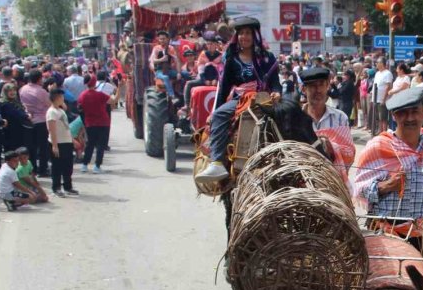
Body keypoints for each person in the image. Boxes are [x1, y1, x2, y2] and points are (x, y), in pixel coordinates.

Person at [352, 87, 423, 249]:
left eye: (415, 111)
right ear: (394, 116)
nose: (410, 118)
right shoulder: (378, 147)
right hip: (385, 235)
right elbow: (359, 190)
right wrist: (385, 186)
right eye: (403, 113)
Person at [195, 17, 281, 184]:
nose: (244, 37)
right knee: (219, 115)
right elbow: (224, 88)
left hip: (264, 100)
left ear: (255, 35)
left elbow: (276, 83)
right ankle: (217, 162)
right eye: (241, 33)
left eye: (248, 33)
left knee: (289, 114)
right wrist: (215, 112)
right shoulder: (232, 59)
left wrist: (277, 92)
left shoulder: (268, 57)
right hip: (240, 100)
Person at [300, 67, 357, 189]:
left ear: (327, 87)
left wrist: (333, 149)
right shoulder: (295, 119)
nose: (318, 90)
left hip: (333, 186)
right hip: (303, 187)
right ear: (303, 89)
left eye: (322, 85)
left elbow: (350, 155)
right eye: (313, 86)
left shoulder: (340, 118)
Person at [45, 88, 78, 197]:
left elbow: (66, 127)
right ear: (57, 98)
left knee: (68, 166)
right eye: (61, 97)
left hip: (66, 141)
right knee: (57, 167)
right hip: (58, 143)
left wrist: (72, 140)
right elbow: (52, 129)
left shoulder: (60, 110)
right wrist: (54, 146)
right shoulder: (51, 112)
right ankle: (56, 187)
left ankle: (68, 187)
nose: (63, 99)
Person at [77, 74, 112, 173]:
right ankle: (97, 166)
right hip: (102, 123)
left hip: (89, 123)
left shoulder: (82, 95)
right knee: (100, 146)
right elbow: (113, 101)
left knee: (90, 144)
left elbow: (80, 109)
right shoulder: (100, 95)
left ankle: (84, 165)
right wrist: (118, 90)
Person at [19, 69, 52, 175]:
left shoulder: (22, 89)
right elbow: (50, 104)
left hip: (28, 120)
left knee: (31, 147)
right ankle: (43, 169)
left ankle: (32, 169)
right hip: (41, 120)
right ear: (39, 79)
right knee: (43, 147)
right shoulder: (41, 91)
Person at [149, 30, 179, 99]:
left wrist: (179, 72)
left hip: (169, 70)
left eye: (164, 39)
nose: (162, 40)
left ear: (167, 39)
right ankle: (172, 95)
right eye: (160, 39)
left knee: (184, 74)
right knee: (165, 77)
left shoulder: (171, 48)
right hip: (159, 71)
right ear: (158, 40)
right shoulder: (156, 48)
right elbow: (152, 60)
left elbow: (176, 60)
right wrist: (161, 59)